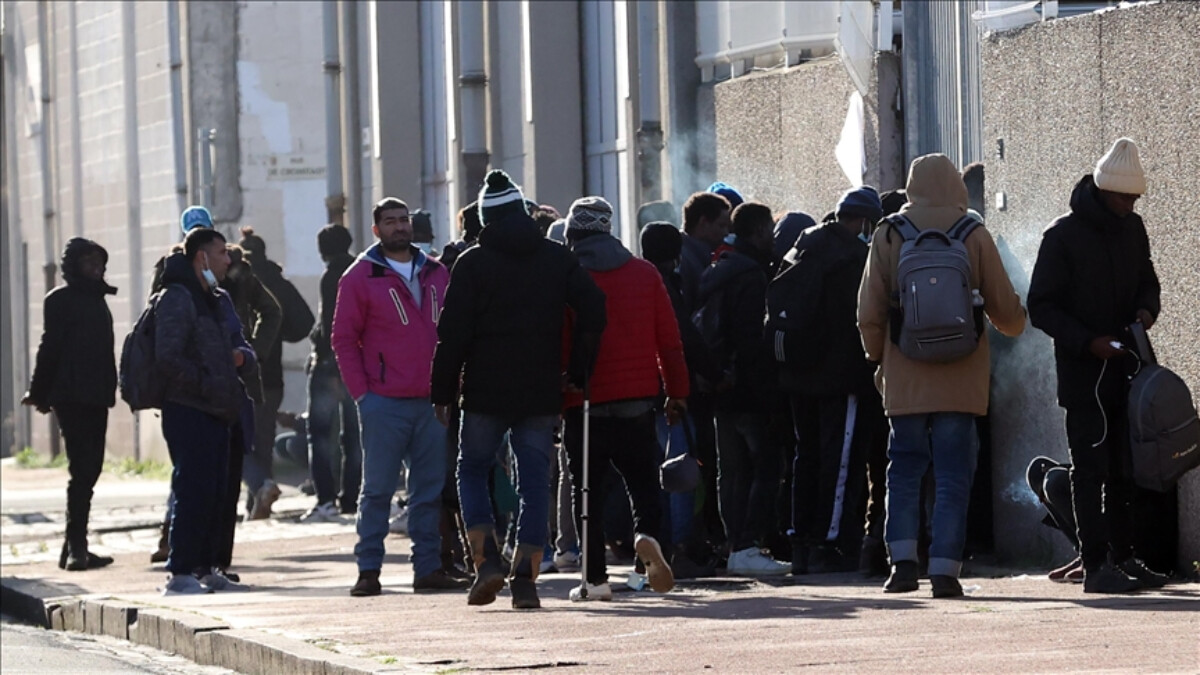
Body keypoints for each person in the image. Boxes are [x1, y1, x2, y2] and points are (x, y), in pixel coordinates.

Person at [431, 170, 606, 609]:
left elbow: (451, 333)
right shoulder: (555, 257)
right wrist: (580, 369)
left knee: (472, 470)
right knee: (534, 484)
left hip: (485, 390)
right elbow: (594, 307)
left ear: (486, 217)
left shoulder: (472, 262)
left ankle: (486, 558)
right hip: (540, 387)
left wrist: (443, 390)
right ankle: (525, 580)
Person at [858, 153, 1027, 598]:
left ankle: (902, 564)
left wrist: (881, 360)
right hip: (962, 374)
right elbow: (1005, 309)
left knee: (905, 470)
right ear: (955, 184)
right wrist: (1014, 325)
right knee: (954, 472)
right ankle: (946, 569)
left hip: (906, 375)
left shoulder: (889, 232)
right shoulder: (973, 231)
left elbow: (869, 310)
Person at [1026, 138, 1170, 594]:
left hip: (1128, 366)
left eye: (1135, 199)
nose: (1130, 205)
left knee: (1127, 468)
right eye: (1125, 197)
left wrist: (1147, 312)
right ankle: (1095, 566)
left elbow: (1149, 282)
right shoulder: (1062, 236)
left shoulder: (1134, 229)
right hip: (1084, 375)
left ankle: (1125, 557)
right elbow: (1040, 306)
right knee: (1091, 471)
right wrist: (1088, 343)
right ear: (1103, 191)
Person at [333, 197, 467, 596]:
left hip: (432, 402)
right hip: (383, 402)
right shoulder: (360, 276)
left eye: (403, 220)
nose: (399, 227)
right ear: (376, 230)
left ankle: (427, 568)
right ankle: (368, 569)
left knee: (427, 491)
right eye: (390, 222)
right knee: (376, 490)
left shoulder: (437, 272)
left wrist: (451, 385)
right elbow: (342, 339)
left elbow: (455, 331)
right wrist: (363, 394)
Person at [560, 197, 688, 601]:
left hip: (585, 400)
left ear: (573, 233)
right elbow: (670, 341)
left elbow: (561, 340)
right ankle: (646, 540)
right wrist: (677, 392)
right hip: (638, 397)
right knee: (644, 485)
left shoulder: (567, 276)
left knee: (588, 495)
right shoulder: (644, 273)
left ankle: (594, 580)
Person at [780, 187, 887, 575]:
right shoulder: (854, 258)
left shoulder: (803, 246)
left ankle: (802, 541)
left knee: (805, 457)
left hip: (798, 376)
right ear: (863, 221)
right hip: (840, 378)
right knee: (840, 463)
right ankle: (832, 542)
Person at [156, 228, 255, 594]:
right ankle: (181, 571)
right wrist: (205, 381)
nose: (228, 260)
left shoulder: (217, 298)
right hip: (189, 407)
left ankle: (208, 567)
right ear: (202, 257)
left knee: (219, 491)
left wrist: (243, 359)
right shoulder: (177, 298)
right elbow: (167, 357)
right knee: (193, 488)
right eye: (221, 253)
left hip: (222, 409)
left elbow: (240, 343)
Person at [697, 201, 791, 576]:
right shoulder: (751, 274)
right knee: (767, 465)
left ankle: (733, 543)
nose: (773, 237)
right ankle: (749, 545)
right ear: (757, 231)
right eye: (769, 229)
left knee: (731, 471)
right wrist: (765, 388)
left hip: (721, 386)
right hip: (749, 388)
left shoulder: (717, 267)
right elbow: (751, 337)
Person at [23, 238, 118, 571]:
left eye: (99, 264)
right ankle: (77, 546)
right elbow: (50, 347)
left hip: (97, 395)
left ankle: (72, 547)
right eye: (89, 264)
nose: (95, 270)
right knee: (82, 469)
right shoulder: (60, 300)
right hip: (71, 395)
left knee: (91, 469)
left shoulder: (98, 298)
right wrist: (39, 392)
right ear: (73, 266)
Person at [303, 224, 363, 523]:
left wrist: (319, 348)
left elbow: (329, 324)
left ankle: (325, 498)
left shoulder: (331, 277)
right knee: (353, 436)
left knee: (320, 434)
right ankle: (351, 498)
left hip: (329, 363)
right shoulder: (362, 270)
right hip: (356, 364)